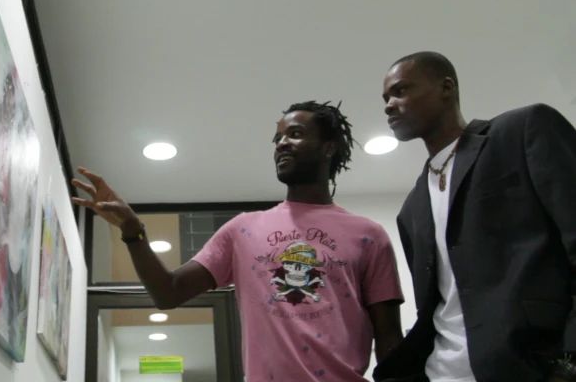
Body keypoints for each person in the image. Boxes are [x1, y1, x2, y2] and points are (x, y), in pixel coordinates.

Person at [72, 101, 405, 382]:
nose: (281, 143)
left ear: (329, 147)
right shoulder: (243, 229)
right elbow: (168, 292)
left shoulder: (368, 236)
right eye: (278, 137)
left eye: (296, 134)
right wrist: (133, 230)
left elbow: (389, 336)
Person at [375, 51, 576, 382]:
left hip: (530, 366)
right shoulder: (412, 209)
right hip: (441, 372)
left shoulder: (521, 131)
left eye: (401, 90)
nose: (389, 104)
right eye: (385, 97)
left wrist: (569, 361)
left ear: (446, 87)